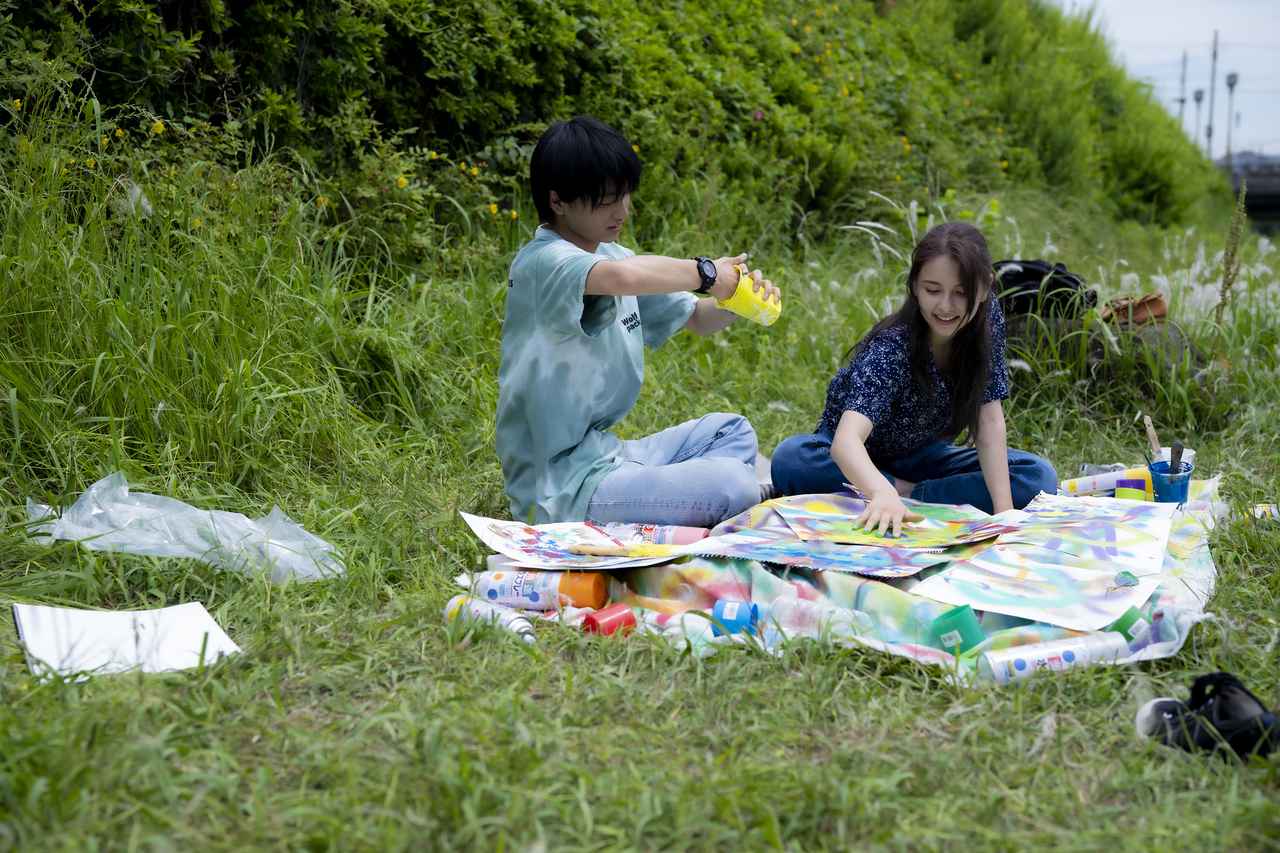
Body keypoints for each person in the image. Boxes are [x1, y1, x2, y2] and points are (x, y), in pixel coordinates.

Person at [496, 115, 780, 526]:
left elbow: (698, 318)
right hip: (560, 488)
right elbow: (622, 279)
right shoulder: (543, 263)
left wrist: (738, 299)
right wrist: (708, 273)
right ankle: (717, 499)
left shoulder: (613, 256)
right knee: (732, 484)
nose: (622, 210)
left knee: (731, 431)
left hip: (607, 455)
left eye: (625, 195)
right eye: (606, 200)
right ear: (557, 201)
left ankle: (677, 499)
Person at [770, 221, 1056, 535]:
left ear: (985, 286)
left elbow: (989, 419)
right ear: (915, 286)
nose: (945, 306)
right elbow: (846, 442)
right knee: (792, 460)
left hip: (924, 457)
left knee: (1037, 477)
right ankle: (902, 496)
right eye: (933, 290)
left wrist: (1004, 513)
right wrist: (881, 490)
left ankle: (911, 496)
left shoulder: (988, 322)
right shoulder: (892, 346)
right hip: (853, 459)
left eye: (961, 293)